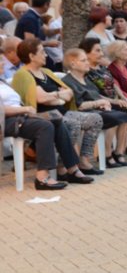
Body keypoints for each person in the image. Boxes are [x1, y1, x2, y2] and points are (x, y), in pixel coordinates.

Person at [12, 38, 105, 175]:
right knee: (72, 123)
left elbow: (68, 93)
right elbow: (40, 99)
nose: (46, 55)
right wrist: (57, 95)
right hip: (41, 115)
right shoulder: (22, 75)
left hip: (61, 111)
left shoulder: (47, 72)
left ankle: (83, 160)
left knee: (95, 119)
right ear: (31, 56)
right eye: (42, 52)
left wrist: (53, 97)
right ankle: (63, 168)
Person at [0, 56, 94, 189]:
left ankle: (72, 168)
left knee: (56, 120)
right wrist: (25, 108)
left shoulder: (3, 82)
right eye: (0, 61)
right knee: (44, 126)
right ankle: (42, 177)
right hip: (6, 121)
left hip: (21, 116)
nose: (4, 62)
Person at [62, 48, 127, 169]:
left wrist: (114, 101)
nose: (87, 63)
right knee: (115, 116)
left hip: (98, 109)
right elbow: (79, 105)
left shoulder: (86, 78)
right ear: (73, 64)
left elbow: (97, 95)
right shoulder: (68, 81)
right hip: (84, 113)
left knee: (124, 113)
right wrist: (98, 103)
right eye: (83, 60)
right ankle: (106, 154)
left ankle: (119, 152)